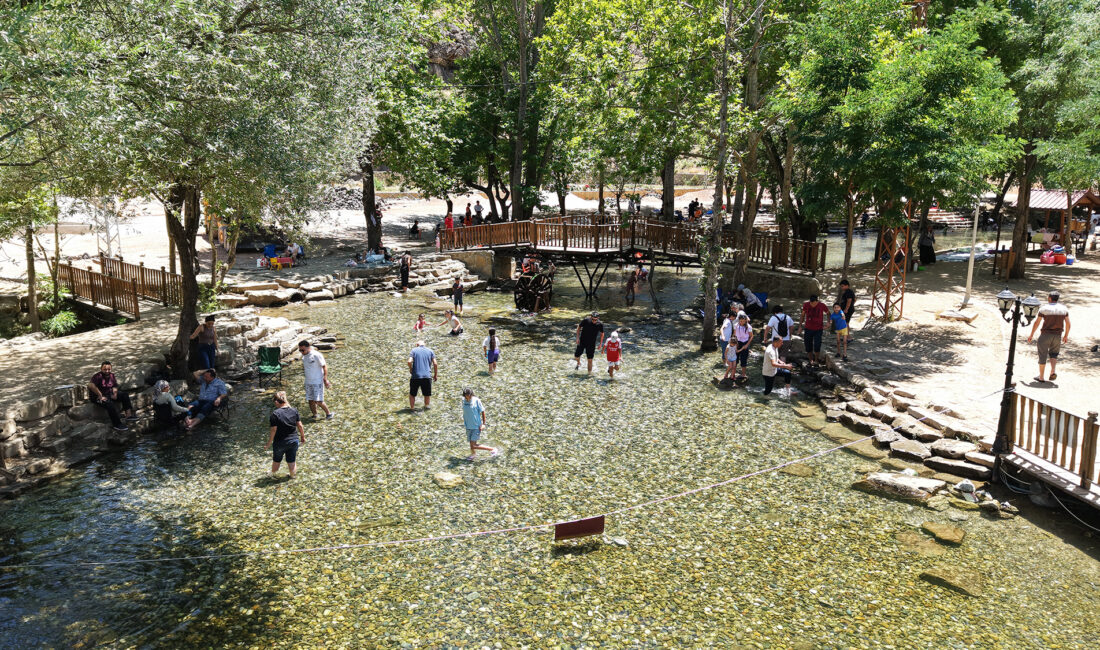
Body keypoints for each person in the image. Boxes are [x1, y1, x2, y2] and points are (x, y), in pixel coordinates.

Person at [1027, 291, 1071, 383]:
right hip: (1057, 336)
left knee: (1042, 355)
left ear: (1050, 298)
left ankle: (1041, 377)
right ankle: (1053, 371)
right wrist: (1066, 335)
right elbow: (1068, 323)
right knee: (1054, 354)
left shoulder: (1044, 309)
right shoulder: (1064, 309)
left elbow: (1037, 323)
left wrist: (1031, 334)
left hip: (1045, 335)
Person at [264, 391, 306, 479]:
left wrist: (269, 443)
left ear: (276, 401)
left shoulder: (275, 414)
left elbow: (273, 430)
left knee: (276, 461)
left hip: (280, 442)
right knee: (292, 461)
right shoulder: (294, 410)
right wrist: (302, 437)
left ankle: (272, 475)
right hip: (294, 440)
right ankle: (292, 476)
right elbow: (300, 426)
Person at [87, 361, 137, 431]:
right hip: (97, 397)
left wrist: (115, 394)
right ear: (101, 369)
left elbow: (114, 386)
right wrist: (100, 395)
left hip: (108, 394)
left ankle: (128, 415)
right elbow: (90, 385)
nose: (107, 371)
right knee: (110, 404)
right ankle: (117, 424)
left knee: (124, 395)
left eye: (109, 369)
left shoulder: (111, 375)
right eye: (105, 369)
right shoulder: (97, 376)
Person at [298, 340, 333, 420]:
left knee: (318, 400)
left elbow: (324, 366)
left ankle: (329, 414)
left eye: (302, 350)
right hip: (308, 381)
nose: (301, 352)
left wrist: (325, 379)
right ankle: (315, 415)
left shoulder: (316, 355)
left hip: (317, 381)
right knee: (310, 400)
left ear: (308, 347)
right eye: (300, 350)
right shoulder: (304, 357)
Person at [461, 387, 497, 460]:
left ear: (471, 395)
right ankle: (473, 454)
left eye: (469, 396)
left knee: (473, 445)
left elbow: (482, 411)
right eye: (466, 396)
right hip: (468, 426)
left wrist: (483, 424)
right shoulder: (463, 400)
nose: (468, 398)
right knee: (471, 445)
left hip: (476, 426)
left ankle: (492, 449)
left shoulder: (476, 401)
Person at [801, 295, 829, 367]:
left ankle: (816, 360)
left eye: (814, 303)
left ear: (817, 301)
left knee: (817, 345)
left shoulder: (822, 305)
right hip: (808, 328)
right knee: (808, 344)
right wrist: (800, 325)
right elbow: (802, 315)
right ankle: (811, 360)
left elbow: (828, 313)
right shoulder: (806, 305)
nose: (813, 305)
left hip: (818, 329)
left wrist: (828, 322)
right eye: (811, 303)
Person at [408, 340, 437, 409]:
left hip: (416, 376)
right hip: (427, 376)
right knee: (427, 395)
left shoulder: (414, 350)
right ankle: (426, 407)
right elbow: (435, 363)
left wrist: (411, 369)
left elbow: (409, 361)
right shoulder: (430, 351)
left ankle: (412, 408)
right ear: (424, 344)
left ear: (417, 344)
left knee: (412, 394)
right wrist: (435, 375)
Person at [732, 312, 753, 379]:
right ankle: (733, 374)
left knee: (744, 359)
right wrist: (733, 343)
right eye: (741, 321)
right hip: (737, 342)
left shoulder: (748, 327)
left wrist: (747, 345)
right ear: (739, 320)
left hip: (744, 342)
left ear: (746, 321)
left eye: (743, 321)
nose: (742, 322)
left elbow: (751, 336)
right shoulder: (736, 325)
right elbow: (734, 335)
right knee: (735, 359)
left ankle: (743, 374)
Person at [837, 279, 856, 344]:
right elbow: (855, 299)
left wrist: (846, 309)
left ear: (847, 285)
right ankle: (847, 336)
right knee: (846, 323)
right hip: (848, 309)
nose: (841, 288)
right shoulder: (848, 291)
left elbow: (849, 300)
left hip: (847, 310)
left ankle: (848, 337)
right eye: (841, 286)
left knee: (846, 323)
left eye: (842, 286)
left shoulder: (848, 292)